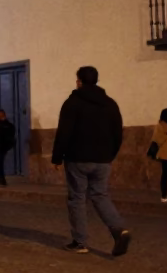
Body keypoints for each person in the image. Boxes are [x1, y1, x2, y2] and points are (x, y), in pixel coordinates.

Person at [51, 65, 131, 256]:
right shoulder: (110, 104)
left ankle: (80, 242)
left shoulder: (72, 103)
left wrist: (57, 157)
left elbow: (64, 132)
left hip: (78, 159)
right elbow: (118, 133)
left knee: (77, 198)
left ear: (79, 81)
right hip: (103, 160)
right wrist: (110, 155)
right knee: (100, 195)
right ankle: (119, 230)